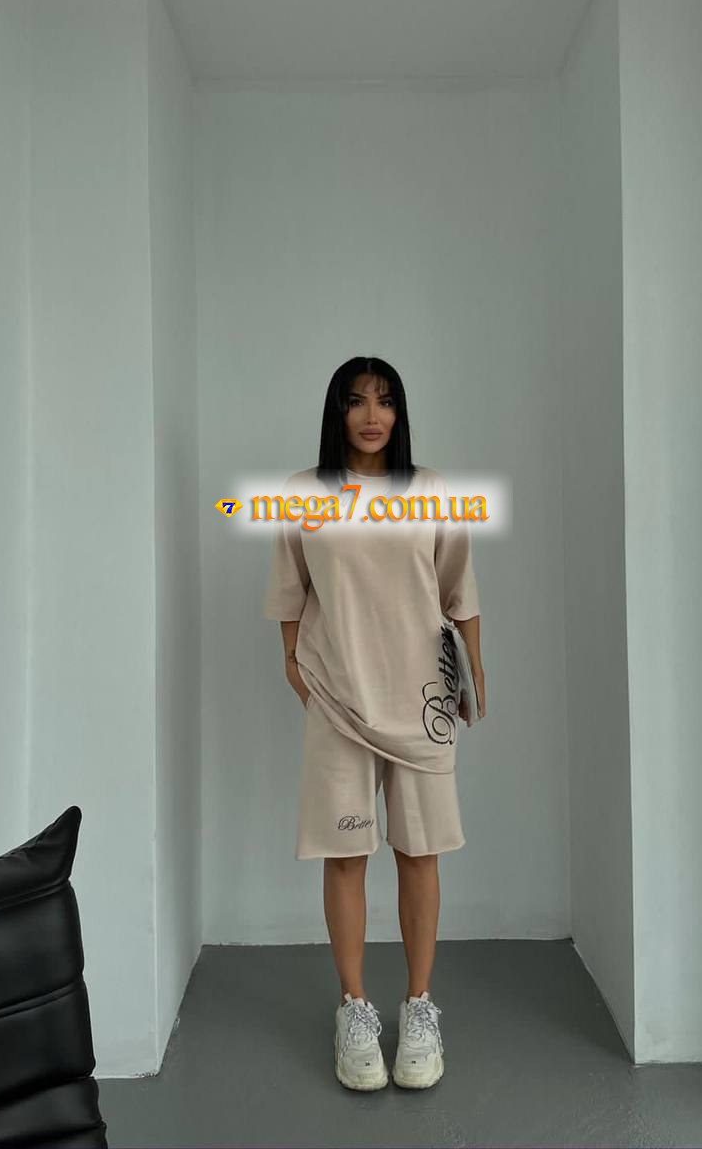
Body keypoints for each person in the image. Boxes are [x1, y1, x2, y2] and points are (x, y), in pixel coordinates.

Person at [263, 355, 486, 1092]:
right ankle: (353, 1009)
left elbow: (458, 590)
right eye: (356, 401)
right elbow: (290, 592)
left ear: (400, 413)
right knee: (346, 855)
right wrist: (295, 667)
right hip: (338, 699)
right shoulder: (304, 494)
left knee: (420, 853)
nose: (371, 415)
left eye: (385, 401)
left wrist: (475, 674)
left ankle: (419, 1008)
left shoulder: (432, 491)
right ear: (337, 411)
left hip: (421, 701)